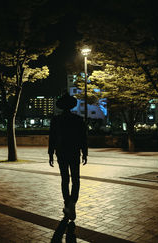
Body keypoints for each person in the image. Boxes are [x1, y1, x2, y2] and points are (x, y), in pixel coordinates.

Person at [48, 93, 88, 221]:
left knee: (65, 178)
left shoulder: (56, 120)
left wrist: (50, 153)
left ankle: (67, 202)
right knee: (76, 179)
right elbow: (83, 138)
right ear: (72, 106)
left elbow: (52, 138)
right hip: (74, 152)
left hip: (61, 152)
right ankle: (72, 202)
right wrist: (85, 153)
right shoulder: (78, 119)